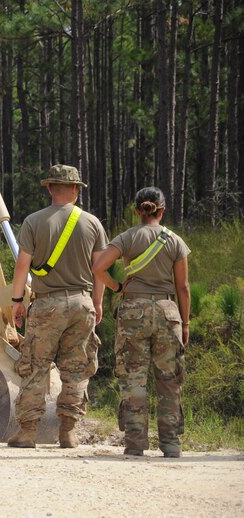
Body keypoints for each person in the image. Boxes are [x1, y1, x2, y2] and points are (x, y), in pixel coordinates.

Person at [8, 164, 107, 449]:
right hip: (82, 302)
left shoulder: (33, 221)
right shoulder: (92, 223)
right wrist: (96, 302)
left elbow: (22, 266)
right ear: (76, 190)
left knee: (35, 367)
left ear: (50, 188)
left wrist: (17, 301)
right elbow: (100, 269)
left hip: (47, 305)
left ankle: (28, 432)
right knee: (76, 369)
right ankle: (68, 432)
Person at [92, 187, 190, 458]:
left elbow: (98, 268)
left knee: (134, 381)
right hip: (168, 311)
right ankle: (170, 444)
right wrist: (185, 324)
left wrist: (117, 286)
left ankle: (135, 444)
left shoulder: (126, 238)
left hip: (133, 311)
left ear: (137, 210)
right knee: (169, 381)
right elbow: (183, 287)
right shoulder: (175, 241)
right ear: (162, 209)